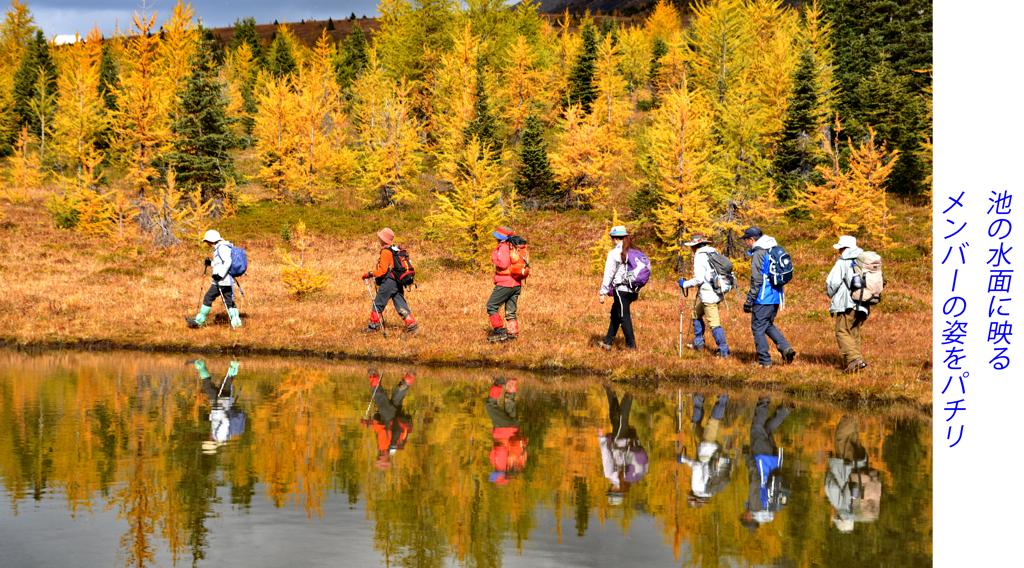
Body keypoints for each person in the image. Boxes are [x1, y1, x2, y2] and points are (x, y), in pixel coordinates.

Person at [740, 226, 796, 368]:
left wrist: (750, 299)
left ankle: (765, 362)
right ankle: (785, 348)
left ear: (751, 240)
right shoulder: (772, 248)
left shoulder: (759, 253)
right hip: (776, 297)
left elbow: (756, 279)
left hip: (763, 297)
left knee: (757, 328)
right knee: (767, 325)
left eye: (746, 240)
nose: (746, 243)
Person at [741, 396, 793, 530]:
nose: (744, 513)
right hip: (761, 459)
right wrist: (748, 457)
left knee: (767, 429)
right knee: (757, 428)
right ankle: (764, 400)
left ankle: (785, 409)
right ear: (749, 518)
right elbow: (754, 480)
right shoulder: (755, 506)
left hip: (773, 460)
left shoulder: (769, 507)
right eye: (744, 516)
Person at [825, 415, 882, 533]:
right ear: (840, 519)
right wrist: (829, 473)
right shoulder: (840, 506)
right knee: (842, 436)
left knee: (854, 437)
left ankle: (857, 411)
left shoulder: (857, 510)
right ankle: (851, 409)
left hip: (861, 465)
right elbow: (830, 486)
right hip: (845, 465)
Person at [679, 234, 730, 357]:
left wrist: (685, 284)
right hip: (716, 291)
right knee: (696, 314)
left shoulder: (699, 257)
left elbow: (699, 279)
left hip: (709, 295)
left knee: (714, 322)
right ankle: (698, 343)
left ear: (694, 247)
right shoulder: (713, 252)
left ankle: (723, 351)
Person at [678, 393, 732, 507]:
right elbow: (697, 466)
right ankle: (722, 399)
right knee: (713, 422)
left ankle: (698, 400)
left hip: (713, 452)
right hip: (707, 449)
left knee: (694, 427)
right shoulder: (697, 488)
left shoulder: (711, 491)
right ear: (693, 496)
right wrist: (684, 459)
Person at [361, 227, 418, 334]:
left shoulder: (385, 251)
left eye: (380, 237)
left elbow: (382, 271)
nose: (379, 239)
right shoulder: (394, 249)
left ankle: (372, 328)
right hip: (398, 281)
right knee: (401, 304)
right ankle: (413, 326)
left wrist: (369, 274)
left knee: (378, 303)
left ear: (383, 239)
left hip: (389, 281)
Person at [826, 235, 870, 372]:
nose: (839, 252)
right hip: (864, 302)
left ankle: (854, 359)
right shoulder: (866, 259)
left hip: (848, 302)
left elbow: (832, 282)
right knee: (854, 331)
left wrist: (830, 294)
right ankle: (856, 363)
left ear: (845, 248)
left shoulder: (844, 260)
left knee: (842, 330)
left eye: (840, 248)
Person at [599, 386, 649, 505]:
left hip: (631, 442)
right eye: (611, 490)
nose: (611, 488)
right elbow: (606, 456)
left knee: (614, 417)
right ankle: (630, 388)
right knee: (622, 417)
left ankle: (609, 387)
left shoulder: (632, 480)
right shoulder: (611, 475)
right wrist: (601, 438)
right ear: (614, 490)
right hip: (619, 442)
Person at [361, 370, 416, 470]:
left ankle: (410, 377)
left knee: (396, 400)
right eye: (378, 457)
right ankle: (373, 375)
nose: (378, 455)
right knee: (379, 397)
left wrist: (373, 423)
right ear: (381, 456)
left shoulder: (394, 445)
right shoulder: (383, 447)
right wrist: (368, 425)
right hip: (389, 417)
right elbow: (382, 429)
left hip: (397, 417)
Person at [187, 230, 242, 329]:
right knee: (229, 301)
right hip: (226, 280)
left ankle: (199, 321)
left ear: (212, 241)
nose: (207, 244)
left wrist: (219, 275)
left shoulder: (222, 248)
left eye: (207, 241)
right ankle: (237, 323)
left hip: (221, 281)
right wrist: (210, 263)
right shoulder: (220, 248)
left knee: (208, 297)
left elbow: (228, 262)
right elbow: (220, 264)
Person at [597, 226, 640, 350]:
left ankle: (631, 346)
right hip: (633, 289)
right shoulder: (633, 251)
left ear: (615, 238)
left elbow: (608, 274)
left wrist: (602, 292)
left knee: (623, 316)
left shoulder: (614, 253)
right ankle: (607, 342)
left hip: (621, 290)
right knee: (616, 312)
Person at [192, 359, 245, 454]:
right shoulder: (220, 435)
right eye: (206, 439)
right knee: (225, 383)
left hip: (217, 403)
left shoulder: (215, 435)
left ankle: (202, 367)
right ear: (210, 441)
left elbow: (217, 420)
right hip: (222, 402)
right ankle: (235, 364)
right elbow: (225, 421)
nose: (205, 437)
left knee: (209, 387)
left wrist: (209, 417)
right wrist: (219, 407)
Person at [486, 377, 528, 486]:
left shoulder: (512, 463)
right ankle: (498, 383)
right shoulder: (500, 464)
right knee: (490, 405)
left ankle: (512, 382)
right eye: (496, 476)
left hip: (514, 428)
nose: (494, 473)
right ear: (502, 474)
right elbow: (500, 449)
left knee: (509, 401)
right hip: (503, 428)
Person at [487, 226, 522, 342]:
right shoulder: (515, 246)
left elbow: (503, 264)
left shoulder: (503, 247)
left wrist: (494, 258)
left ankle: (499, 331)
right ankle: (512, 334)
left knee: (491, 306)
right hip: (516, 283)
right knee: (510, 310)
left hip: (505, 283)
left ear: (500, 238)